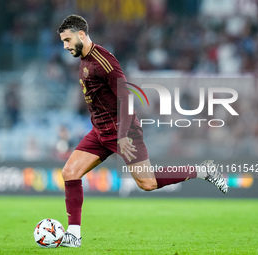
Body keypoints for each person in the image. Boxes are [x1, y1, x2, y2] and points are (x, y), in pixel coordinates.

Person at [57, 15, 228, 247]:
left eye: (67, 40)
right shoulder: (84, 59)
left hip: (122, 132)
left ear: (81, 35)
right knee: (70, 172)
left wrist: (123, 134)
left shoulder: (104, 61)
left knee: (147, 183)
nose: (65, 46)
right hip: (99, 131)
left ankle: (202, 170)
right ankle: (74, 235)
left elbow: (126, 98)